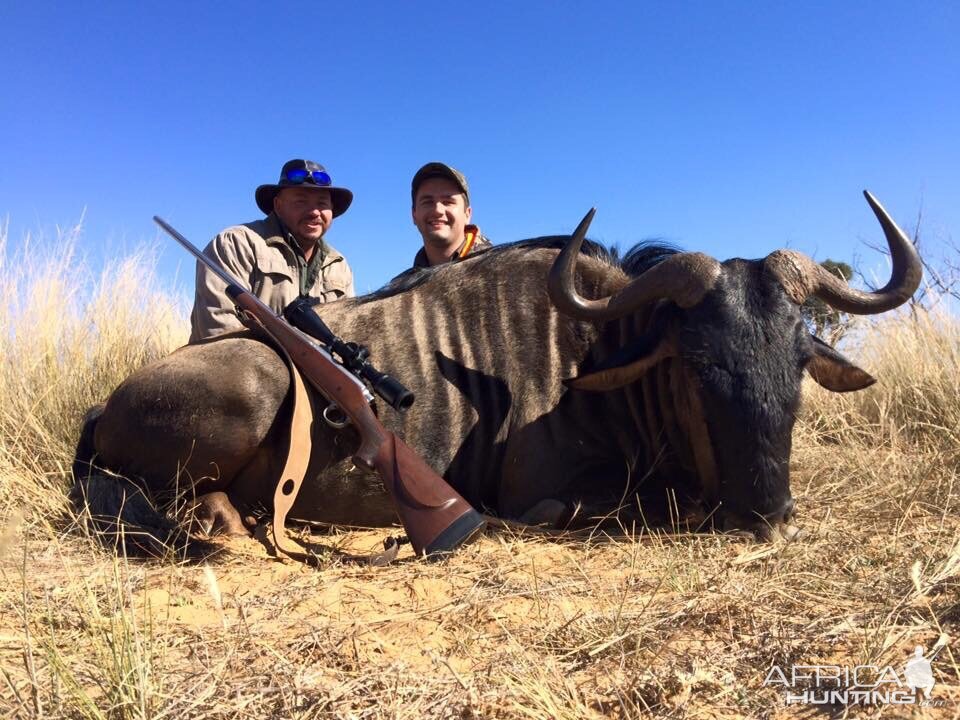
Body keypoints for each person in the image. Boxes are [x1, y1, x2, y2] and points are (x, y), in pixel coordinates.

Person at [189, 158, 355, 342]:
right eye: (301, 202)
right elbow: (218, 330)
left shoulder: (339, 264)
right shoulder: (237, 243)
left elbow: (348, 331)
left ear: (331, 210)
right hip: (242, 366)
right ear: (278, 206)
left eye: (322, 203)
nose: (315, 211)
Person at [410, 162, 491, 269]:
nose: (438, 210)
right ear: (414, 215)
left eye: (448, 201)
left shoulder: (503, 272)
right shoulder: (402, 284)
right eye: (427, 202)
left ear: (467, 214)